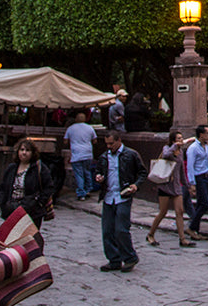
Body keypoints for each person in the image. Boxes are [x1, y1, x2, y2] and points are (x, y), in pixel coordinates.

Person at [94, 131, 145, 272]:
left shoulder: (131, 154)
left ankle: (129, 257)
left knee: (121, 229)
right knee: (107, 230)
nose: (109, 146)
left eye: (112, 143)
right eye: (107, 144)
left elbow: (142, 172)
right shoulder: (104, 157)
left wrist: (136, 185)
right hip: (109, 196)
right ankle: (114, 259)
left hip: (123, 195)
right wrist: (99, 177)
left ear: (119, 141)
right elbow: (99, 171)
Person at [145, 131, 195, 248]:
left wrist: (187, 185)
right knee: (163, 212)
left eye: (182, 138)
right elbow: (166, 155)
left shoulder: (181, 152)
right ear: (173, 140)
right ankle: (151, 234)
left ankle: (182, 238)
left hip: (176, 185)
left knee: (180, 211)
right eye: (178, 138)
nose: (181, 140)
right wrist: (175, 146)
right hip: (165, 184)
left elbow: (181, 170)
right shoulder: (167, 148)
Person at [0, 138, 55, 228]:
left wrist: (39, 202)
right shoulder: (11, 168)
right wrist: (4, 204)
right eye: (22, 150)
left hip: (32, 212)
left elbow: (48, 187)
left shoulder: (39, 168)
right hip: (12, 210)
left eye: (27, 150)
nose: (24, 153)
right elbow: (3, 187)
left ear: (32, 153)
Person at [186, 124, 208, 241]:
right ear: (201, 135)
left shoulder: (205, 146)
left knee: (201, 204)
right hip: (199, 177)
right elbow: (190, 166)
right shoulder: (193, 148)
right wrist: (192, 183)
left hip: (205, 176)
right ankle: (192, 227)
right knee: (204, 204)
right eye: (207, 133)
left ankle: (195, 230)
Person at [64, 112, 97, 200]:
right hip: (88, 153)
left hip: (76, 154)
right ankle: (88, 189)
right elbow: (95, 141)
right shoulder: (90, 128)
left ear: (76, 119)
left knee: (79, 174)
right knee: (87, 172)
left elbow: (65, 141)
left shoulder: (70, 128)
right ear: (85, 119)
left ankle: (81, 193)